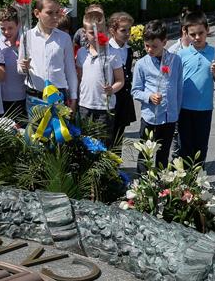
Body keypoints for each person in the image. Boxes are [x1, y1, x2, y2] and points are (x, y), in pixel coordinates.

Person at [131, 19, 183, 171]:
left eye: (154, 46)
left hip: (169, 117)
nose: (149, 49)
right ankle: (141, 186)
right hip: (150, 118)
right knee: (145, 154)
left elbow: (178, 87)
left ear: (165, 42)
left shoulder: (175, 60)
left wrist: (176, 111)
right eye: (146, 45)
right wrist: (149, 96)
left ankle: (160, 186)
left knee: (163, 153)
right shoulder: (142, 64)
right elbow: (135, 90)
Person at [19, 0, 77, 113]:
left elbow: (70, 69)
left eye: (57, 12)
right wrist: (23, 66)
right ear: (37, 13)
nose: (55, 17)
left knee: (60, 131)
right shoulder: (27, 37)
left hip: (58, 95)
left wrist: (73, 96)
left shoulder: (64, 38)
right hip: (35, 97)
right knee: (36, 132)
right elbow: (19, 67)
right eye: (49, 13)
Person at [76, 11, 125, 147]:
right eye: (92, 32)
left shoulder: (113, 54)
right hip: (85, 105)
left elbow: (120, 80)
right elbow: (79, 78)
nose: (97, 36)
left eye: (100, 31)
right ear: (84, 33)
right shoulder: (81, 53)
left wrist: (112, 89)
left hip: (104, 107)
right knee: (85, 144)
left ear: (107, 31)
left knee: (103, 145)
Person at [177, 11, 215, 165]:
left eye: (200, 33)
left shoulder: (214, 53)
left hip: (204, 108)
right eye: (192, 34)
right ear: (186, 33)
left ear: (207, 30)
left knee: (201, 145)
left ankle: (198, 178)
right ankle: (184, 181)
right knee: (185, 146)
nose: (197, 37)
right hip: (184, 108)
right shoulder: (181, 55)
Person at [108, 11, 137, 149]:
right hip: (112, 95)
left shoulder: (128, 50)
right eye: (123, 30)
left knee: (119, 135)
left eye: (129, 29)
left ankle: (116, 167)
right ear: (112, 30)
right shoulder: (107, 49)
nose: (127, 33)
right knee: (109, 134)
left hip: (124, 96)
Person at [0, 6, 26, 120]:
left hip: (22, 98)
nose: (6, 32)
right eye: (3, 28)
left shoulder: (26, 43)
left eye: (10, 28)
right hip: (1, 98)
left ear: (18, 25)